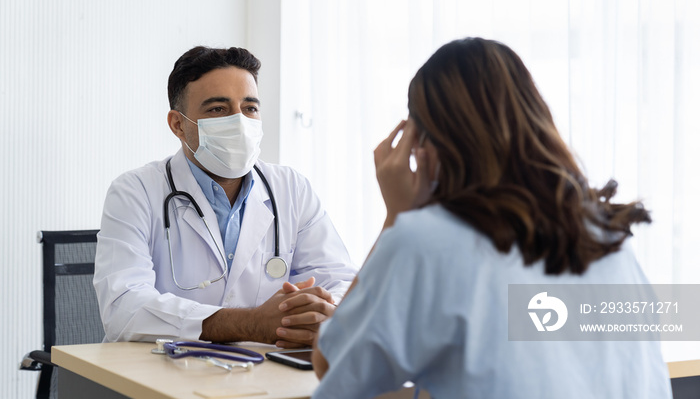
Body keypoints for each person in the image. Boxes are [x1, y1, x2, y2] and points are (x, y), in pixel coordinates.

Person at [311, 38, 671, 398]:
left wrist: (395, 217)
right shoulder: (605, 238)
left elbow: (333, 364)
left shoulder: (427, 242)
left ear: (420, 141)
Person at [93, 46, 357, 348]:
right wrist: (251, 324)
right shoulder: (135, 192)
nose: (239, 122)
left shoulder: (292, 189)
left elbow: (340, 280)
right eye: (218, 109)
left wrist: (320, 313)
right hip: (160, 374)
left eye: (250, 108)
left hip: (263, 372)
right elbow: (123, 308)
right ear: (178, 124)